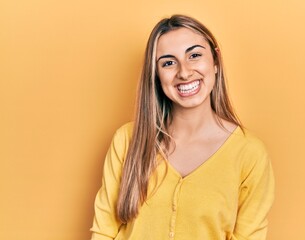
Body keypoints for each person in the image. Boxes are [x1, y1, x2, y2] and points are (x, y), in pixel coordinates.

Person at [90, 14, 274, 240]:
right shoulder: (127, 140)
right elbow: (103, 232)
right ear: (156, 75)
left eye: (194, 55)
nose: (184, 72)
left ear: (215, 61)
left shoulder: (249, 154)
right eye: (168, 62)